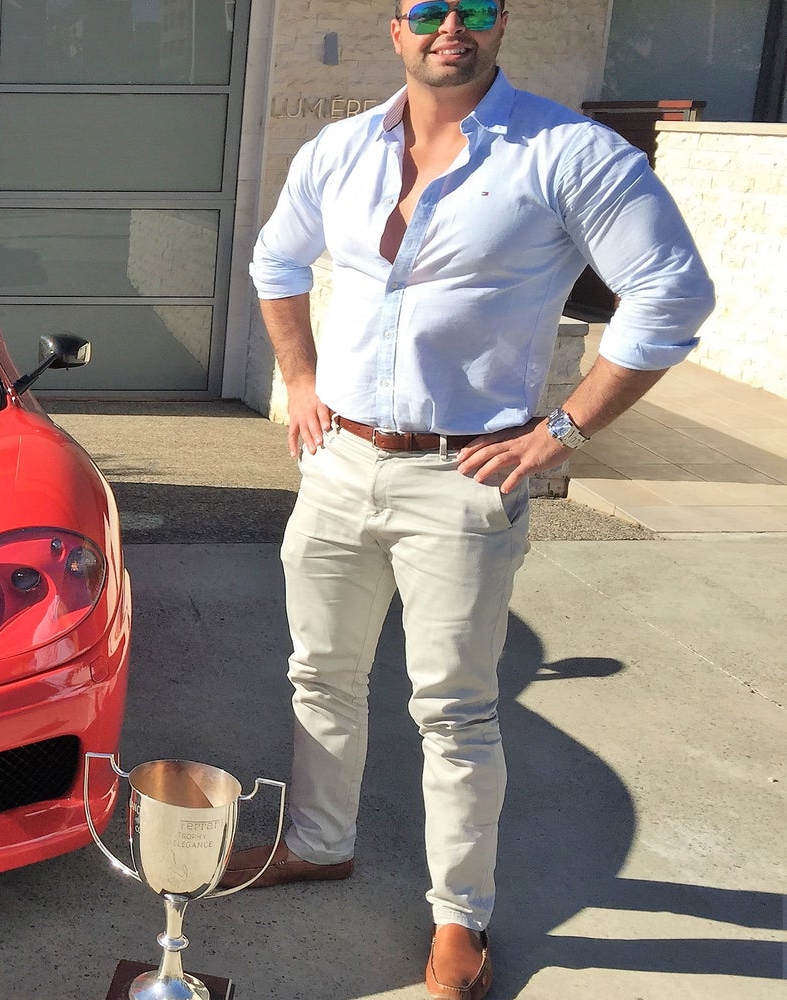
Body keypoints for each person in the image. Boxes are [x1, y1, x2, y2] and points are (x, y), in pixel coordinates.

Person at [220, 3, 714, 999]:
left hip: (462, 478)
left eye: (475, 9)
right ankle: (317, 842)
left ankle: (460, 920)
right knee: (318, 672)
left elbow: (671, 294)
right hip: (338, 461)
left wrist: (559, 430)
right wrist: (301, 380)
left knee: (452, 711)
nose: (452, 26)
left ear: (498, 28)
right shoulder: (338, 150)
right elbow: (274, 262)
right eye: (428, 10)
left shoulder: (564, 152)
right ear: (393, 30)